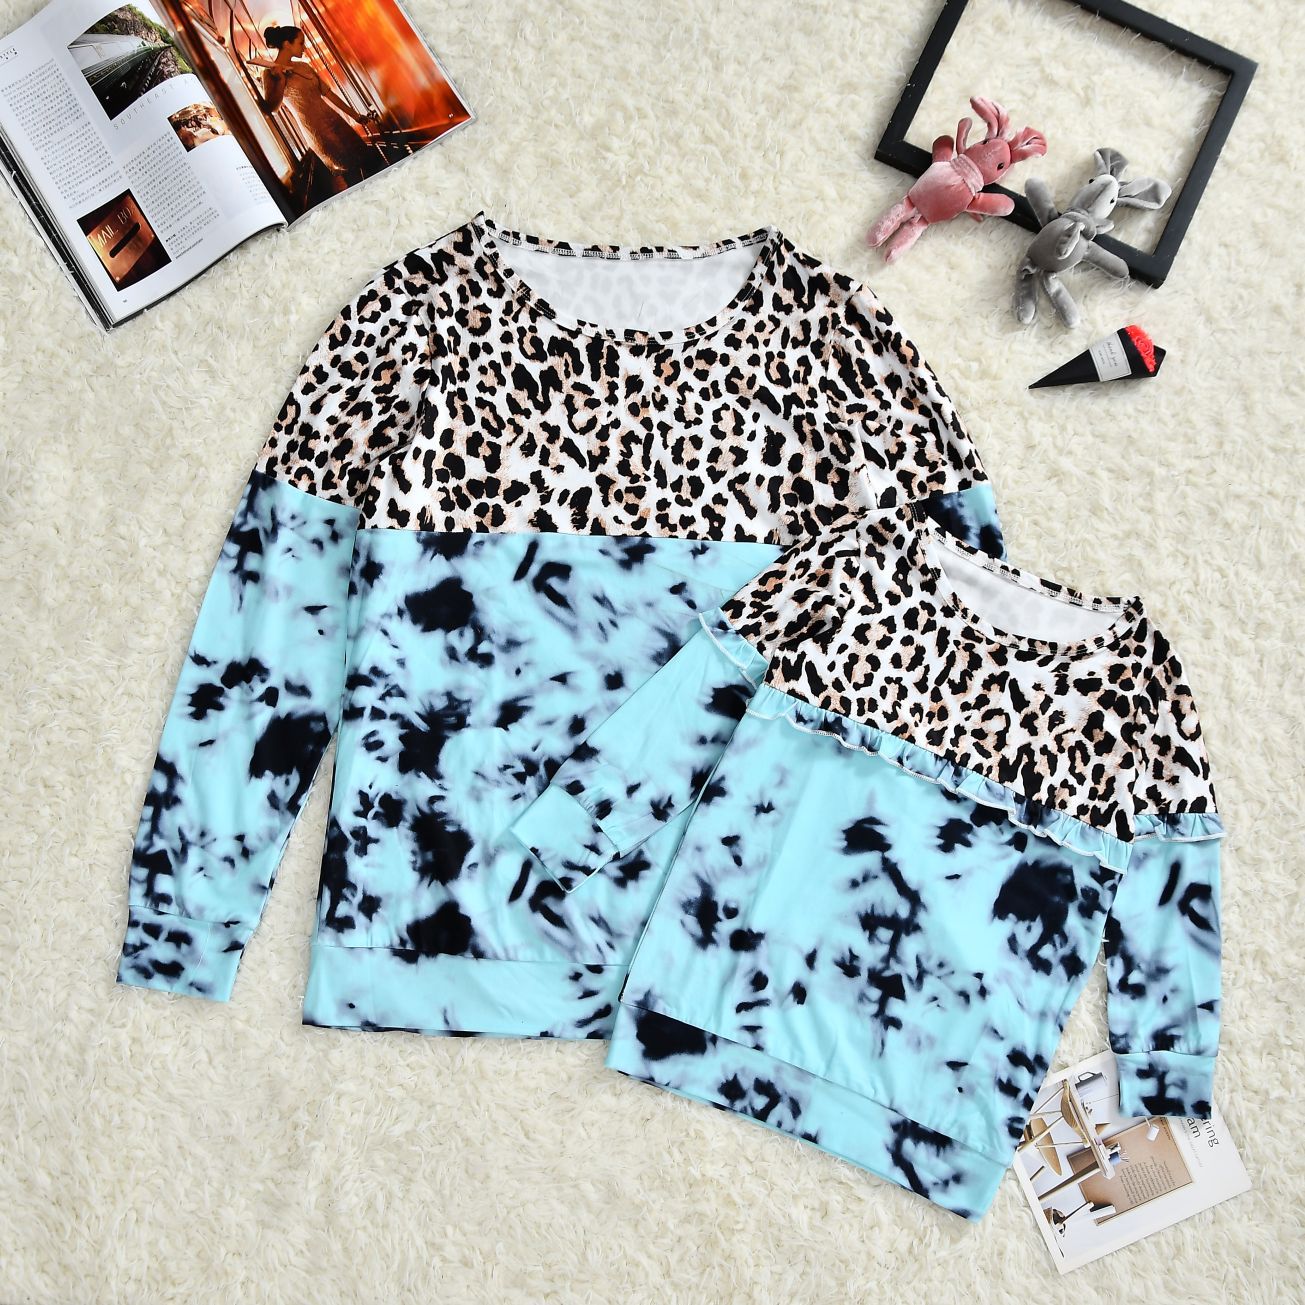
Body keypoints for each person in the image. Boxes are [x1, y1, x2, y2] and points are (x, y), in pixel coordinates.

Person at [251, 25, 378, 189]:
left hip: (335, 120)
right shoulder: (269, 73)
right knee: (349, 171)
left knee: (367, 159)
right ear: (287, 44)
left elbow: (328, 94)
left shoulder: (304, 67)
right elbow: (271, 108)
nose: (304, 47)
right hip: (317, 131)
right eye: (301, 43)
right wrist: (281, 81)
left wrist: (355, 116)